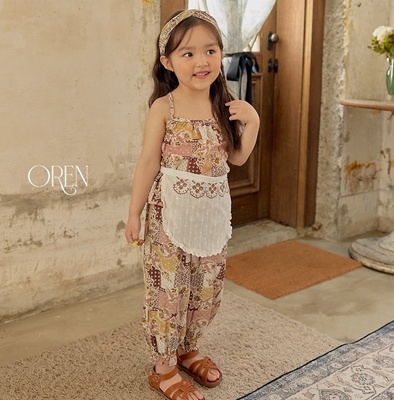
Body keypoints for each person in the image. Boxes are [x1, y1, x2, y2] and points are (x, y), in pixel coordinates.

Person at [125, 9, 259, 400]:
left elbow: (237, 158)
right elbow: (148, 162)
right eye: (188, 53)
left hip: (210, 216)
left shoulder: (224, 104)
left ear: (220, 54)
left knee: (205, 289)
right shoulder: (164, 108)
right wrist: (133, 214)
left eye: (210, 51)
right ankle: (164, 368)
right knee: (169, 292)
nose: (202, 61)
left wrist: (252, 122)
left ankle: (187, 349)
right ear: (167, 62)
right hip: (168, 216)